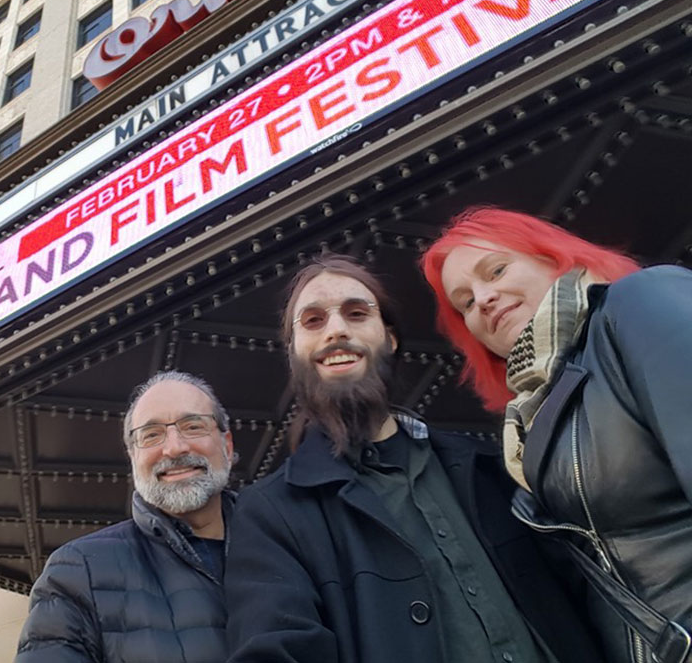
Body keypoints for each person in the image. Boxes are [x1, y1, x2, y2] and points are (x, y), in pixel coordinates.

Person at [225, 253, 600, 663]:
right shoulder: (268, 513)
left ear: (389, 337)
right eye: (313, 321)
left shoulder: (490, 464)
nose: (336, 331)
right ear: (294, 352)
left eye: (356, 313)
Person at [422, 206, 692, 663]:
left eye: (497, 269)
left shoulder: (640, 302)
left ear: (553, 257)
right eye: (465, 302)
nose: (484, 299)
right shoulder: (533, 419)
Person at [15, 370, 235, 662]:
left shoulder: (289, 537)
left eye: (193, 426)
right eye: (152, 435)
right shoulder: (77, 572)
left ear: (227, 446)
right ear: (133, 459)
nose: (174, 448)